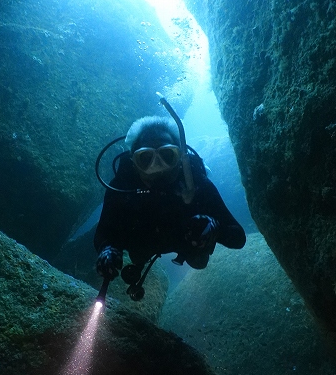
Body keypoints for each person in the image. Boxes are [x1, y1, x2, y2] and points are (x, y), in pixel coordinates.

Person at [94, 113, 246, 293]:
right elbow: (103, 233)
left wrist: (213, 228)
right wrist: (108, 249)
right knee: (138, 256)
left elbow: (238, 238)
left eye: (167, 155)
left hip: (184, 240)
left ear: (181, 157)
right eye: (146, 158)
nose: (157, 166)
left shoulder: (196, 182)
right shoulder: (122, 185)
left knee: (199, 262)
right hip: (144, 241)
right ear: (133, 163)